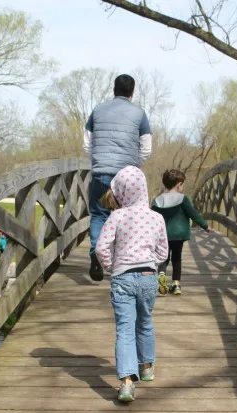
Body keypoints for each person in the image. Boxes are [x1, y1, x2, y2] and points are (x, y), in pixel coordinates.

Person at [95, 166, 168, 402]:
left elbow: (101, 247)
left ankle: (126, 384)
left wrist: (110, 266)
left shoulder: (117, 216)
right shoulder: (156, 217)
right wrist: (151, 263)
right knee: (145, 321)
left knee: (125, 329)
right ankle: (146, 368)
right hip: (148, 276)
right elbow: (163, 252)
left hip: (123, 278)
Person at [84, 74, 153, 281]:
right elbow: (146, 148)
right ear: (132, 92)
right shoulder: (139, 114)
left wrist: (98, 161)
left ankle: (97, 251)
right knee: (128, 217)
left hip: (101, 172)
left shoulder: (97, 110)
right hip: (127, 175)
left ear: (114, 89)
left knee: (99, 215)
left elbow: (87, 143)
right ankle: (124, 262)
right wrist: (133, 166)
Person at [152, 169, 211, 295]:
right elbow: (193, 214)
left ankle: (161, 274)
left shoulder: (158, 200)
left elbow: (152, 217)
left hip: (163, 235)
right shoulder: (183, 199)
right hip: (179, 234)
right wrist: (205, 226)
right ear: (179, 184)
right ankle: (176, 284)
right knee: (177, 258)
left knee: (164, 257)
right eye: (182, 184)